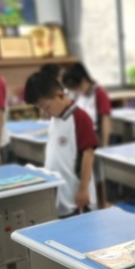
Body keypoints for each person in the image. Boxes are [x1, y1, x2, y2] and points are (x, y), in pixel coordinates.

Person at [25, 72, 98, 217]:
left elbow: (88, 154)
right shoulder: (55, 117)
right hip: (60, 191)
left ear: (60, 96)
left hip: (76, 195)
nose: (45, 113)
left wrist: (83, 189)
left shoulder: (80, 118)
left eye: (46, 107)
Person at [62, 63, 112, 208]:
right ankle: (86, 202)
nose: (75, 91)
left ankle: (101, 203)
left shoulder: (99, 92)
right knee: (83, 171)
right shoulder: (77, 94)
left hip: (95, 136)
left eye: (76, 87)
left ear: (84, 80)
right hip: (79, 136)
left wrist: (105, 144)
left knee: (98, 172)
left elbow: (105, 119)